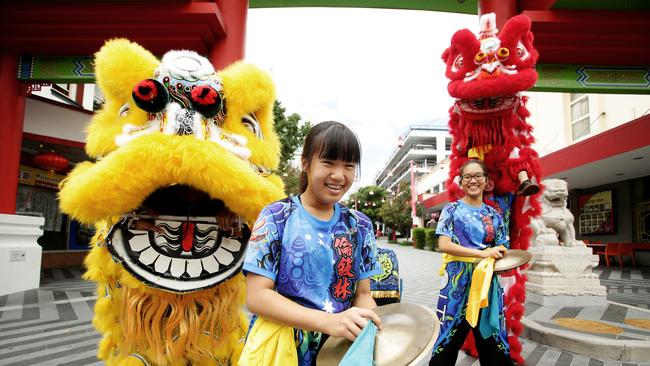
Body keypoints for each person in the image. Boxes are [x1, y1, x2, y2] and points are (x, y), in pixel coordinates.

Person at [242, 121, 382, 366]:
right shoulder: (276, 217)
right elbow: (256, 296)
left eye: (348, 166)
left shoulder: (360, 225)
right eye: (328, 163)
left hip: (340, 348)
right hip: (281, 349)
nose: (339, 176)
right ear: (305, 163)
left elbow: (363, 293)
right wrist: (329, 322)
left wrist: (366, 320)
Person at [429, 159, 513, 366]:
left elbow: (502, 246)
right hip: (456, 282)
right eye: (467, 177)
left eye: (478, 176)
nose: (472, 181)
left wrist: (499, 253)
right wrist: (482, 254)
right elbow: (444, 244)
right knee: (448, 337)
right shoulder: (451, 210)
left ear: (486, 181)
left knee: (492, 337)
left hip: (486, 283)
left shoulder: (494, 215)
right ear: (461, 181)